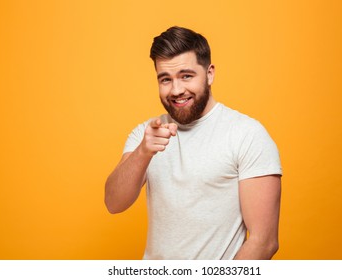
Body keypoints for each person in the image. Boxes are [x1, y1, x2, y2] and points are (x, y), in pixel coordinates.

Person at [105, 26, 282, 260]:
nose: (176, 90)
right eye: (165, 79)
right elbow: (113, 203)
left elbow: (264, 242)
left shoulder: (247, 134)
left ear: (209, 74)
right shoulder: (146, 134)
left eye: (186, 76)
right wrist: (142, 153)